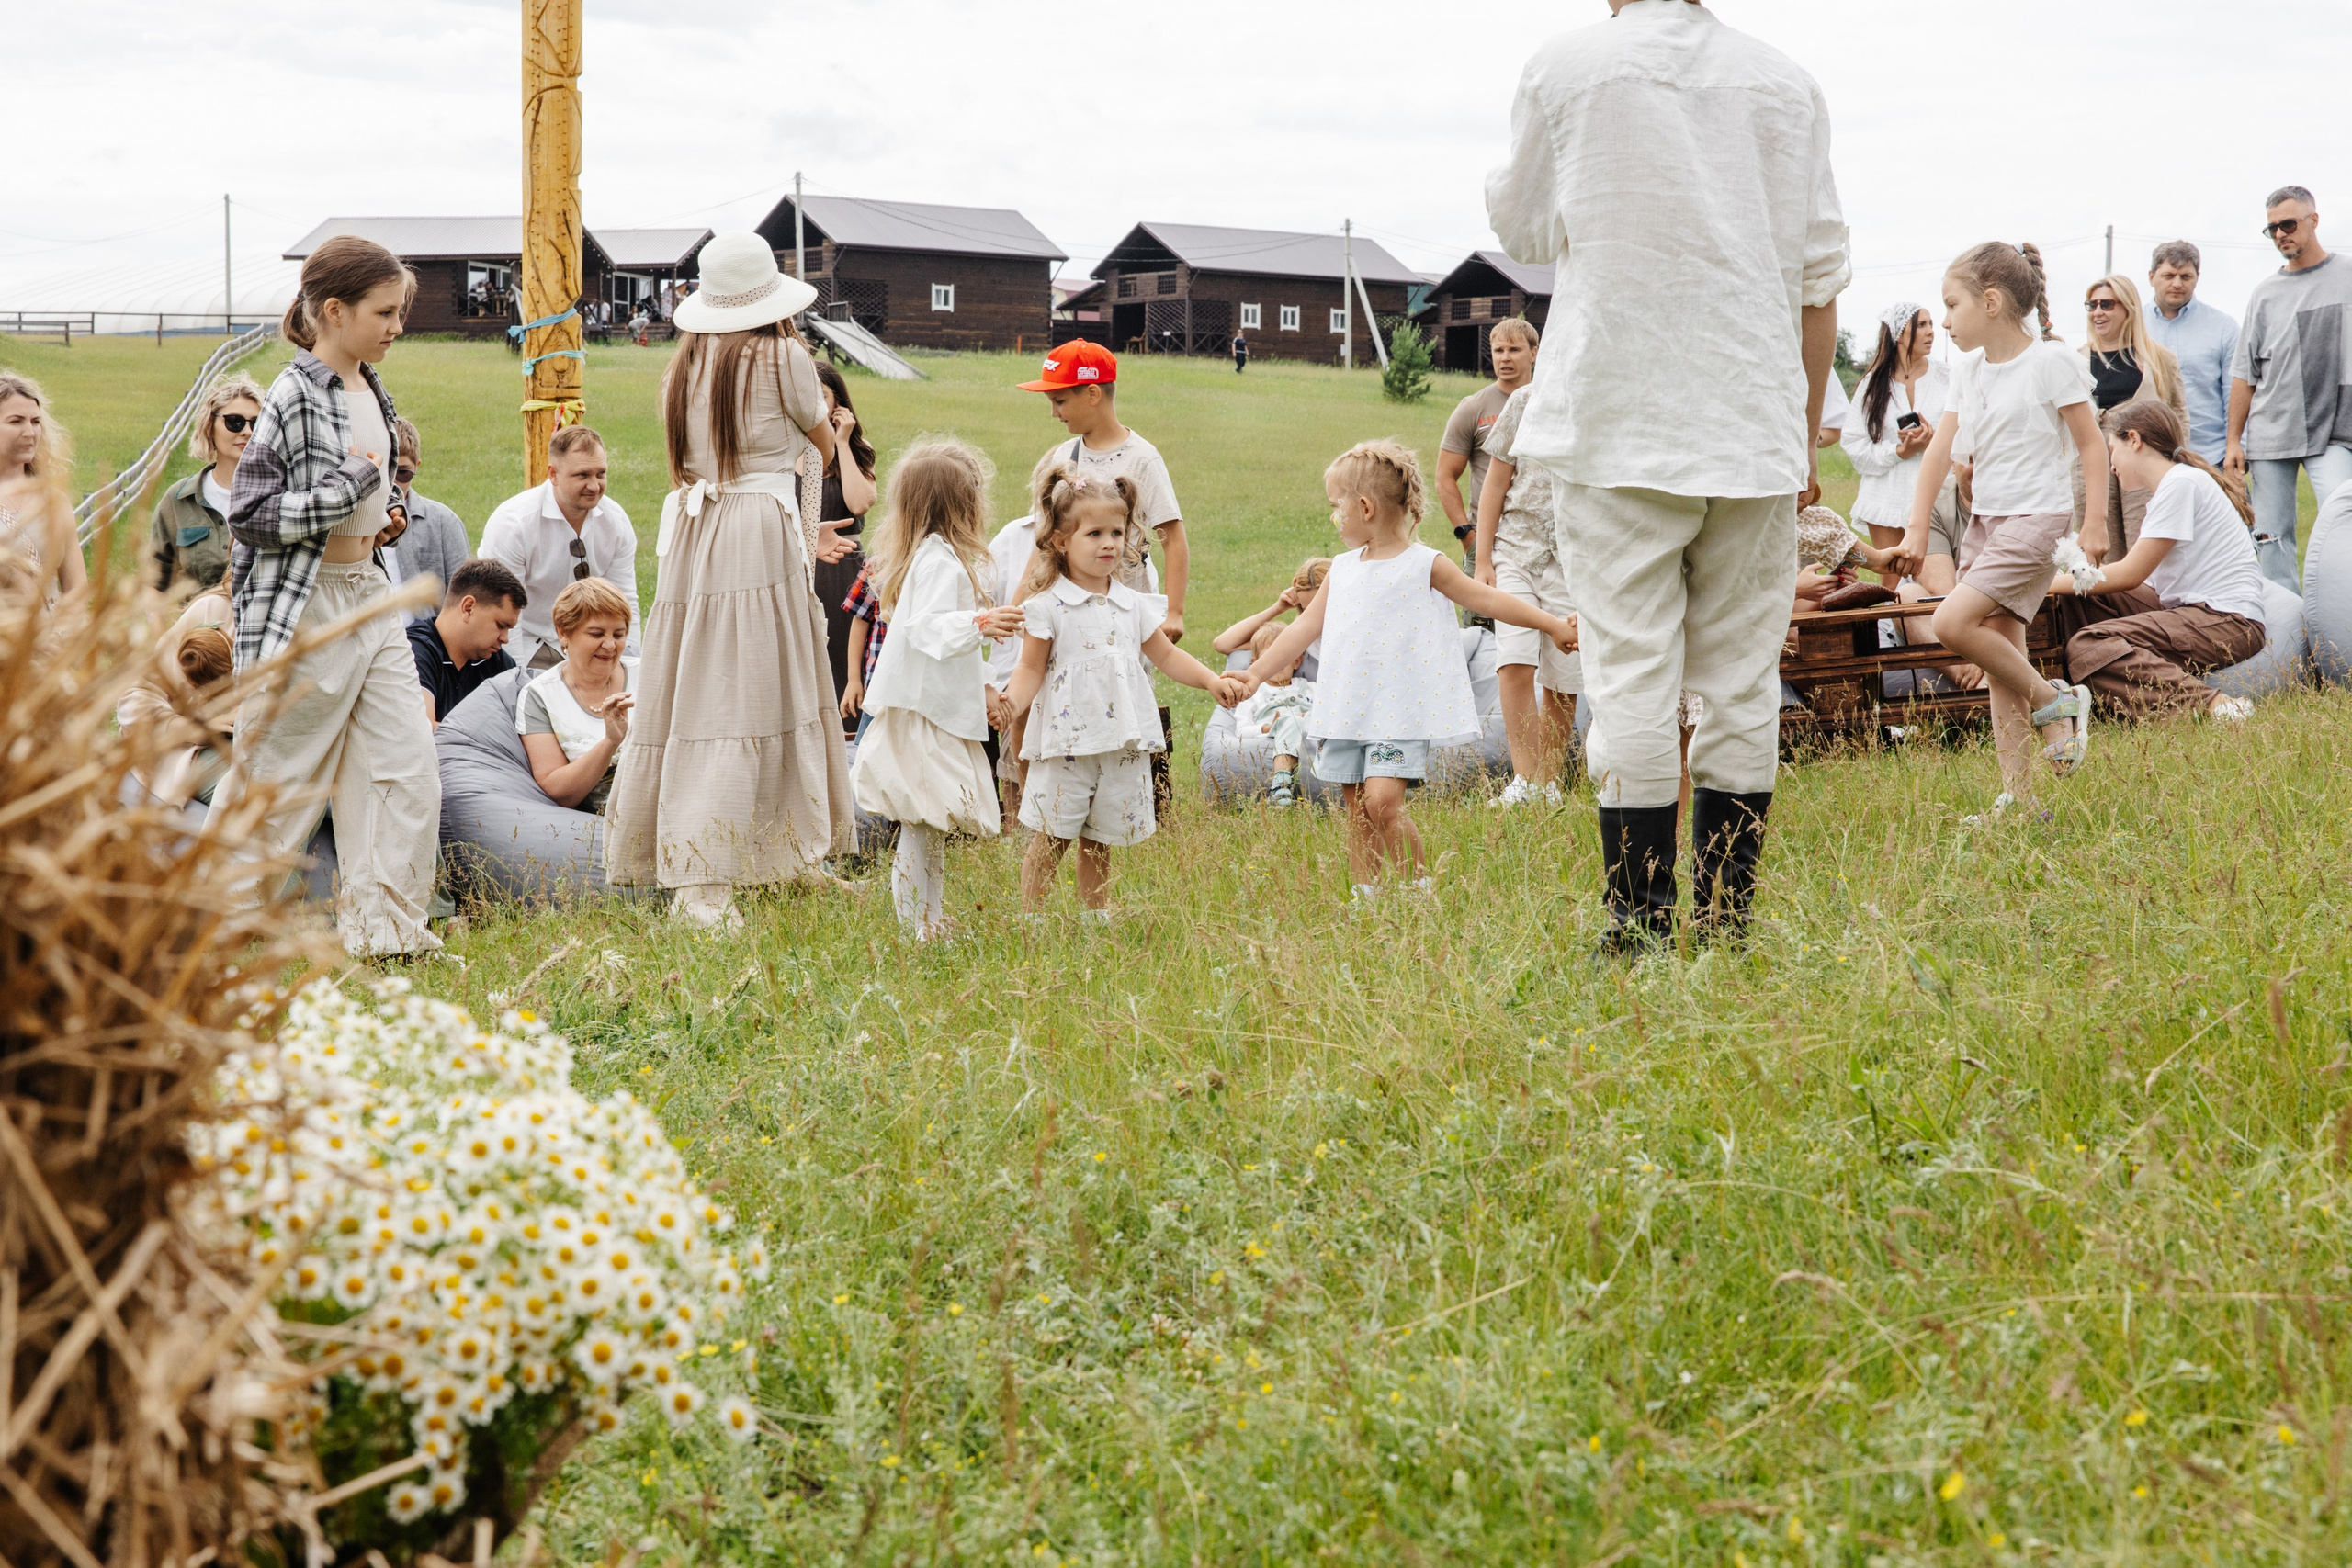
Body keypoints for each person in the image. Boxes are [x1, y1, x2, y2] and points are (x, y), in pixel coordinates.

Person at [1487, 0, 1849, 951]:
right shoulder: (1785, 83)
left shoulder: (1566, 67)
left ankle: (1638, 929)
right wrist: (1803, 432)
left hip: (1618, 415)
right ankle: (1727, 925)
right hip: (1747, 413)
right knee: (1738, 683)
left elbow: (1520, 227)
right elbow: (1820, 284)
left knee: (1633, 676)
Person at [604, 230, 853, 931]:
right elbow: (822, 453)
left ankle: (767, 856)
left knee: (701, 687)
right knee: (754, 689)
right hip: (756, 528)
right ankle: (709, 879)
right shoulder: (784, 357)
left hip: (696, 528)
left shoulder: (680, 367)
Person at [220, 233, 440, 959]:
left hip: (370, 592)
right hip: (308, 602)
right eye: (385, 312)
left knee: (403, 764)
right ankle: (216, 926)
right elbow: (251, 516)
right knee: (280, 769)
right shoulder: (290, 396)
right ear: (335, 311)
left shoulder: (370, 385)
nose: (397, 326)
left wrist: (386, 510)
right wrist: (348, 489)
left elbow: (377, 473)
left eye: (399, 312)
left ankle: (388, 932)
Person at [1237, 441, 1577, 901]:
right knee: (1357, 807)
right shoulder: (1340, 570)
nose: (1333, 517)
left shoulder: (1425, 564)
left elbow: (1488, 600)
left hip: (1398, 715)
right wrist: (1254, 675)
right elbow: (1300, 632)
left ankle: (1419, 889)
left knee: (1383, 803)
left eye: (1337, 507)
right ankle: (1367, 896)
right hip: (1347, 711)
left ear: (1365, 507)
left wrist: (1553, 624)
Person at [1889, 242, 2106, 819]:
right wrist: (1915, 528)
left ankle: (2055, 701)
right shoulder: (1968, 370)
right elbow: (1939, 453)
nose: (1947, 321)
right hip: (1987, 521)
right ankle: (2021, 796)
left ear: (1991, 301)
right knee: (2000, 649)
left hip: (2037, 520)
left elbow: (2091, 444)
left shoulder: (2051, 362)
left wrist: (2094, 523)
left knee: (1950, 621)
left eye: (1951, 305)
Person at [1001, 467, 1240, 912]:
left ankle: (1097, 920)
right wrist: (1010, 702)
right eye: (1094, 533)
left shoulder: (1132, 605)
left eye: (1116, 531)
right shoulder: (1047, 607)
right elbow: (1030, 671)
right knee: (1052, 837)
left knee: (1100, 840)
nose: (1109, 543)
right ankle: (1030, 920)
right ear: (1060, 542)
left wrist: (1211, 679)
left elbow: (1166, 656)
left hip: (1119, 744)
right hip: (1067, 745)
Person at [849, 441, 1020, 940]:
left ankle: (929, 917)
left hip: (933, 708)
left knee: (930, 827)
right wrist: (982, 621)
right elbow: (929, 628)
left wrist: (986, 685)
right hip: (925, 716)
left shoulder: (931, 558)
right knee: (923, 826)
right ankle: (917, 927)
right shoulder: (939, 563)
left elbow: (947, 645)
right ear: (958, 504)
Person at [1019, 342, 1191, 811]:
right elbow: (1042, 546)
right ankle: (1064, 795)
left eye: (1060, 401)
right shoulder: (1063, 455)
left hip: (1125, 604)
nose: (1055, 413)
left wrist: (1172, 612)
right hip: (1069, 605)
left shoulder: (1142, 459)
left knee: (1130, 693)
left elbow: (1173, 536)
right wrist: (1018, 606)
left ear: (1093, 394)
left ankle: (1148, 798)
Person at [2045, 401, 2267, 723]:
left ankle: (2216, 707)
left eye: (2113, 450)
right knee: (2076, 598)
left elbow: (2131, 574)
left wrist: (2042, 585)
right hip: (2195, 612)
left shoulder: (2181, 484)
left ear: (2134, 440)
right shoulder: (2175, 485)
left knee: (2089, 644)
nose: (2111, 465)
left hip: (2227, 621)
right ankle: (2086, 706)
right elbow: (2144, 583)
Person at [2229, 186, 2352, 589]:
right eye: (2272, 229)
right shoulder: (2264, 295)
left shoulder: (2347, 275)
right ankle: (2287, 637)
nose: (2281, 234)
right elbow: (2245, 374)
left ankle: (2338, 627)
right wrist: (2234, 442)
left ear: (2314, 220)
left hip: (2334, 432)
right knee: (2271, 539)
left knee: (2341, 527)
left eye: (2288, 223)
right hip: (2271, 433)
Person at [1473, 380, 1581, 805]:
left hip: (1572, 560)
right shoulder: (1524, 401)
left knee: (1564, 673)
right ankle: (1525, 779)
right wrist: (1483, 560)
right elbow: (1495, 485)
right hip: (1516, 550)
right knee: (1515, 660)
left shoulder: (1602, 397)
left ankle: (1548, 783)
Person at [479, 424, 639, 671]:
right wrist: (517, 679)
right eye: (582, 475)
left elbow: (625, 600)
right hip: (531, 643)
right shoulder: (513, 524)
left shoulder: (615, 521)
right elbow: (502, 614)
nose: (595, 486)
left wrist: (630, 667)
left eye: (601, 474)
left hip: (593, 646)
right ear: (553, 474)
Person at [2079, 274, 2187, 555]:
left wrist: (2176, 464)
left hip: (2143, 463)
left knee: (2146, 540)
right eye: (2091, 305)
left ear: (2128, 308)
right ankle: (2103, 601)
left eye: (2106, 304)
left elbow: (2178, 415)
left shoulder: (2158, 359)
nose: (2098, 312)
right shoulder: (2075, 360)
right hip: (2088, 470)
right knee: (2097, 554)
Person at [1843, 303, 1951, 579]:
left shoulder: (1947, 377)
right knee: (1891, 580)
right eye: (1922, 325)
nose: (1931, 332)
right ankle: (1889, 624)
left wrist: (1933, 440)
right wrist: (1899, 451)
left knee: (1935, 577)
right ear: (1900, 335)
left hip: (1936, 495)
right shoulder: (1872, 385)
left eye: (1931, 325)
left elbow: (1966, 433)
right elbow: (1853, 445)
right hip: (1885, 496)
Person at [520, 576, 637, 813]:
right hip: (594, 826)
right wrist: (610, 743)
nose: (610, 645)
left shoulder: (651, 675)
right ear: (564, 633)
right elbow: (559, 793)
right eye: (596, 634)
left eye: (618, 634)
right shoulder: (539, 696)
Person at [1435, 319, 1537, 571]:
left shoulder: (1548, 405)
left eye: (1514, 350)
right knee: (1481, 611)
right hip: (1486, 541)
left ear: (1534, 353)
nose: (1505, 358)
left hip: (1536, 538)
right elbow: (1444, 477)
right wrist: (1467, 536)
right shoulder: (1473, 407)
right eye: (1498, 350)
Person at [150, 373, 264, 592]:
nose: (247, 432)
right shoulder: (178, 501)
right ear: (210, 426)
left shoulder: (280, 497)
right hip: (195, 626)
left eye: (257, 424)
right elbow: (155, 584)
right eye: (235, 422)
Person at [810, 362, 876, 736]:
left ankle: (848, 733)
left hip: (844, 572)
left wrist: (841, 442)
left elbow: (859, 503)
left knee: (842, 656)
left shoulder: (856, 450)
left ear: (838, 402)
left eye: (822, 398)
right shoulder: (785, 449)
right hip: (800, 566)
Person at [2143, 241, 2239, 464]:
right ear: (2151, 277)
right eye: (2169, 276)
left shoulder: (2223, 327)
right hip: (2149, 460)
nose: (2177, 283)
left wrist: (2235, 449)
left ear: (2197, 277)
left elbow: (2235, 395)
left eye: (2185, 277)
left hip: (2210, 457)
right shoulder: (2132, 326)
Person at [0, 372, 89, 605]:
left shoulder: (55, 502)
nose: (30, 432)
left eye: (35, 421)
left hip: (50, 640)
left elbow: (76, 589)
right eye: (16, 421)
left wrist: (66, 637)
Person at [407, 558, 525, 723]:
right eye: (500, 625)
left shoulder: (498, 663)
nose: (505, 639)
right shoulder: (413, 652)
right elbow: (423, 730)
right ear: (468, 608)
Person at [383, 417, 471, 606]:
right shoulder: (352, 526)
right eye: (385, 472)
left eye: (403, 473)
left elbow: (465, 599)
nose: (393, 484)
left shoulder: (444, 523)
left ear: (417, 467)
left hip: (425, 634)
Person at [1233, 621, 1315, 807]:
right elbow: (1241, 730)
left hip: (1308, 731)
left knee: (1298, 720)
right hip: (1274, 732)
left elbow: (1328, 715)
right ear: (1255, 664)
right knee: (1290, 721)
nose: (1277, 664)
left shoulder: (1310, 688)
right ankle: (1280, 785)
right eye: (1270, 658)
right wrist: (1267, 727)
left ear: (1297, 660)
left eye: (1284, 657)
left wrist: (1307, 718)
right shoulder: (1253, 694)